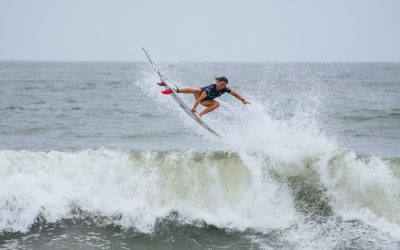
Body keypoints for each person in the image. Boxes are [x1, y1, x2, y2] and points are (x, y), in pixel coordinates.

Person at [160, 76, 250, 117]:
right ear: (218, 82)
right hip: (199, 96)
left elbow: (234, 93)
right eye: (221, 84)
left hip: (206, 101)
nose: (222, 86)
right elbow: (200, 98)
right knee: (198, 90)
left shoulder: (224, 89)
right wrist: (194, 107)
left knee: (217, 104)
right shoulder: (211, 88)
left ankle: (200, 115)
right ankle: (177, 90)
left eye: (224, 85)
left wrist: (242, 100)